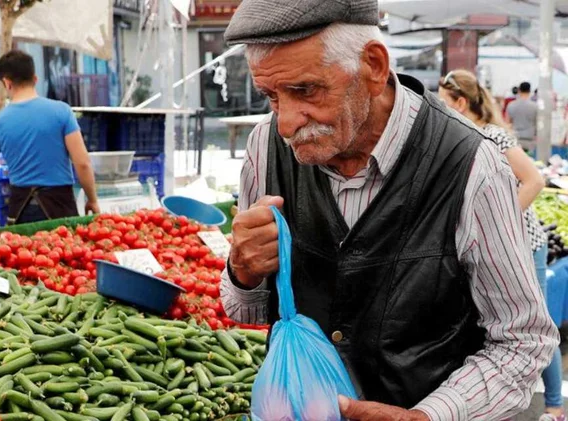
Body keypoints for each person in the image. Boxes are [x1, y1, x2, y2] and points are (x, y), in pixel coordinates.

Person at [220, 0, 559, 420]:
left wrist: (430, 416)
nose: (287, 123)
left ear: (375, 66)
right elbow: (245, 309)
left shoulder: (470, 164)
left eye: (305, 90)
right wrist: (243, 270)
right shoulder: (264, 148)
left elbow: (523, 340)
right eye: (271, 96)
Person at [439, 69, 563, 421]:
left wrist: (497, 223)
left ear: (461, 103)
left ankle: (554, 406)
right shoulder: (464, 136)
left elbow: (535, 180)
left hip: (526, 244)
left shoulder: (492, 136)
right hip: (497, 247)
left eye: (444, 101)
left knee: (535, 327)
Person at [0, 50, 100, 224]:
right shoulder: (61, 112)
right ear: (35, 79)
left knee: (27, 250)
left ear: (7, 83)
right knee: (64, 250)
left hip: (21, 211)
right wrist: (92, 199)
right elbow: (82, 163)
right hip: (60, 207)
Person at [507, 81, 539, 150]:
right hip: (530, 140)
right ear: (530, 91)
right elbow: (537, 124)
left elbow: (508, 122)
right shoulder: (535, 106)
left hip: (515, 140)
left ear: (519, 90)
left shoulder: (511, 105)